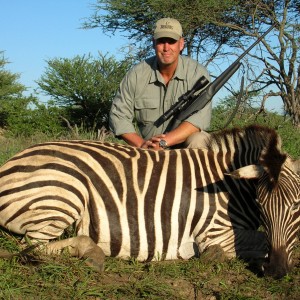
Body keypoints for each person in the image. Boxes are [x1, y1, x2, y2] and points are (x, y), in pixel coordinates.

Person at [109, 17, 212, 150]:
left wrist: (164, 142)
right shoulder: (136, 74)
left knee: (200, 140)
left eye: (171, 41)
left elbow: (199, 119)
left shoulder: (198, 74)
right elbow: (118, 116)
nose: (166, 48)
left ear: (181, 44)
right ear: (153, 43)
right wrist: (142, 145)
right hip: (148, 149)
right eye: (161, 41)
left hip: (185, 150)